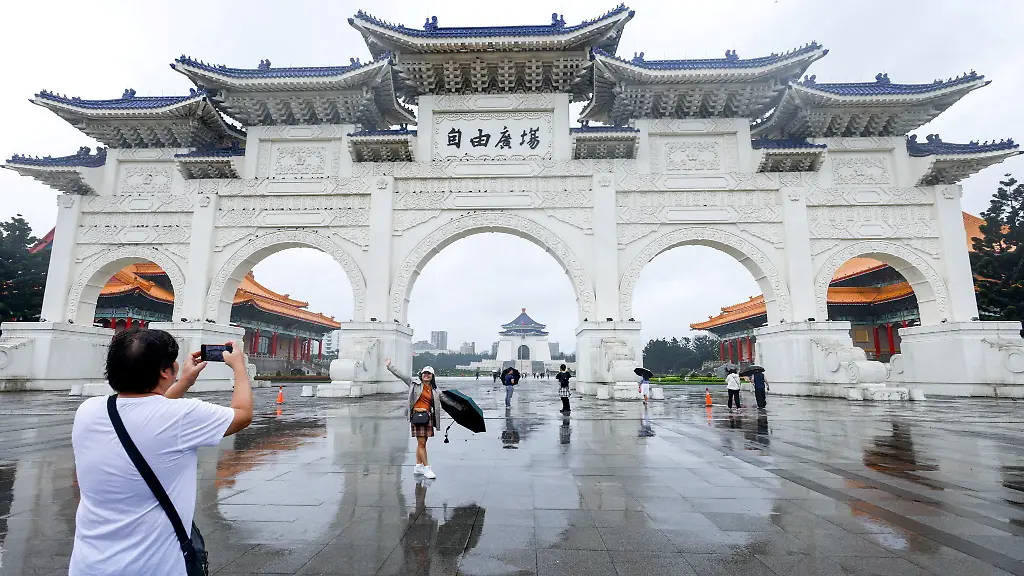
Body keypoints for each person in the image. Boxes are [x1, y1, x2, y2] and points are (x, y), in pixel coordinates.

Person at [70, 328, 253, 576]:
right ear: (165, 371)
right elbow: (242, 415)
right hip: (154, 567)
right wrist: (239, 367)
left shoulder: (88, 411)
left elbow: (150, 408)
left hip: (88, 566)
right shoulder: (182, 416)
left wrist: (184, 381)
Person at [386, 359, 442, 479]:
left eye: (429, 373)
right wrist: (390, 366)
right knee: (421, 443)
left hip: (427, 417)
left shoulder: (435, 390)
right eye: (424, 373)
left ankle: (418, 466)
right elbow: (402, 375)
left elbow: (446, 399)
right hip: (417, 417)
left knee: (422, 443)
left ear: (432, 376)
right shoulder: (414, 384)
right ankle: (427, 468)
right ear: (421, 375)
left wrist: (460, 407)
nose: (426, 375)